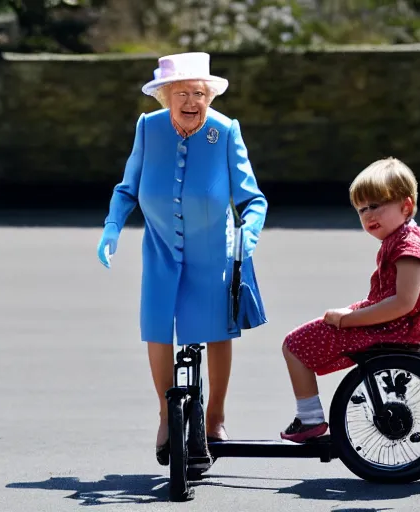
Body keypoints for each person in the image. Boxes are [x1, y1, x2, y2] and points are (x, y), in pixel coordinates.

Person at [97, 52, 267, 465]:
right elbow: (128, 187)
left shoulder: (225, 131)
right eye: (182, 93)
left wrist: (249, 233)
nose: (192, 102)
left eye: (199, 93)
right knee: (157, 327)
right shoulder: (148, 128)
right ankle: (165, 415)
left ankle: (215, 418)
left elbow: (252, 198)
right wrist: (112, 226)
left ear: (208, 96)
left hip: (214, 249)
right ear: (166, 96)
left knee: (218, 332)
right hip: (161, 249)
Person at [280, 157, 420, 442]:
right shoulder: (401, 239)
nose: (368, 214)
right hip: (391, 324)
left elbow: (402, 303)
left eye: (376, 205)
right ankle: (309, 415)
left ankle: (309, 417)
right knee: (319, 325)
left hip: (391, 329)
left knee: (294, 344)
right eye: (362, 209)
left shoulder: (411, 246)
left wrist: (349, 318)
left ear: (405, 206)